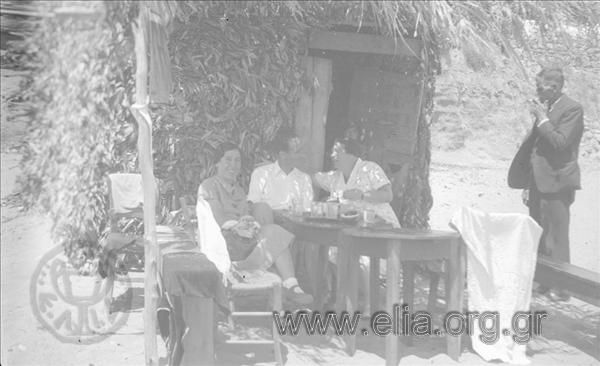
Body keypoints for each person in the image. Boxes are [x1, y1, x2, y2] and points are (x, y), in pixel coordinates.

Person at [198, 142, 313, 305]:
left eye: (237, 161)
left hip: (242, 242)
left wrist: (249, 223)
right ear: (217, 163)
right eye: (228, 160)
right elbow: (216, 219)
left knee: (271, 229)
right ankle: (291, 286)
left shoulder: (237, 189)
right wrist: (237, 226)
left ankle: (290, 285)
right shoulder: (208, 187)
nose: (233, 165)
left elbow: (245, 215)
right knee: (273, 233)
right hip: (223, 245)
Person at [509, 66, 584, 302]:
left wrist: (541, 118)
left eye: (540, 86)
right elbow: (535, 149)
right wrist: (528, 184)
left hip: (558, 182)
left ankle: (562, 288)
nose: (536, 90)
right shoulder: (547, 107)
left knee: (557, 236)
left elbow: (560, 143)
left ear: (554, 87)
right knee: (538, 233)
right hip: (538, 182)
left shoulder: (572, 108)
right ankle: (543, 281)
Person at [314, 137, 400, 227]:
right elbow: (308, 177)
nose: (332, 155)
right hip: (356, 232)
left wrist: (362, 195)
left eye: (336, 151)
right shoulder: (333, 177)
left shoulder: (370, 168)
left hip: (385, 228)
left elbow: (388, 195)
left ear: (351, 154)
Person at [247, 128, 314, 219]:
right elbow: (254, 207)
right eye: (297, 152)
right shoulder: (261, 174)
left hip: (297, 227)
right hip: (268, 225)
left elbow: (307, 212)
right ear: (283, 154)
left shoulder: (304, 179)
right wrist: (277, 214)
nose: (303, 156)